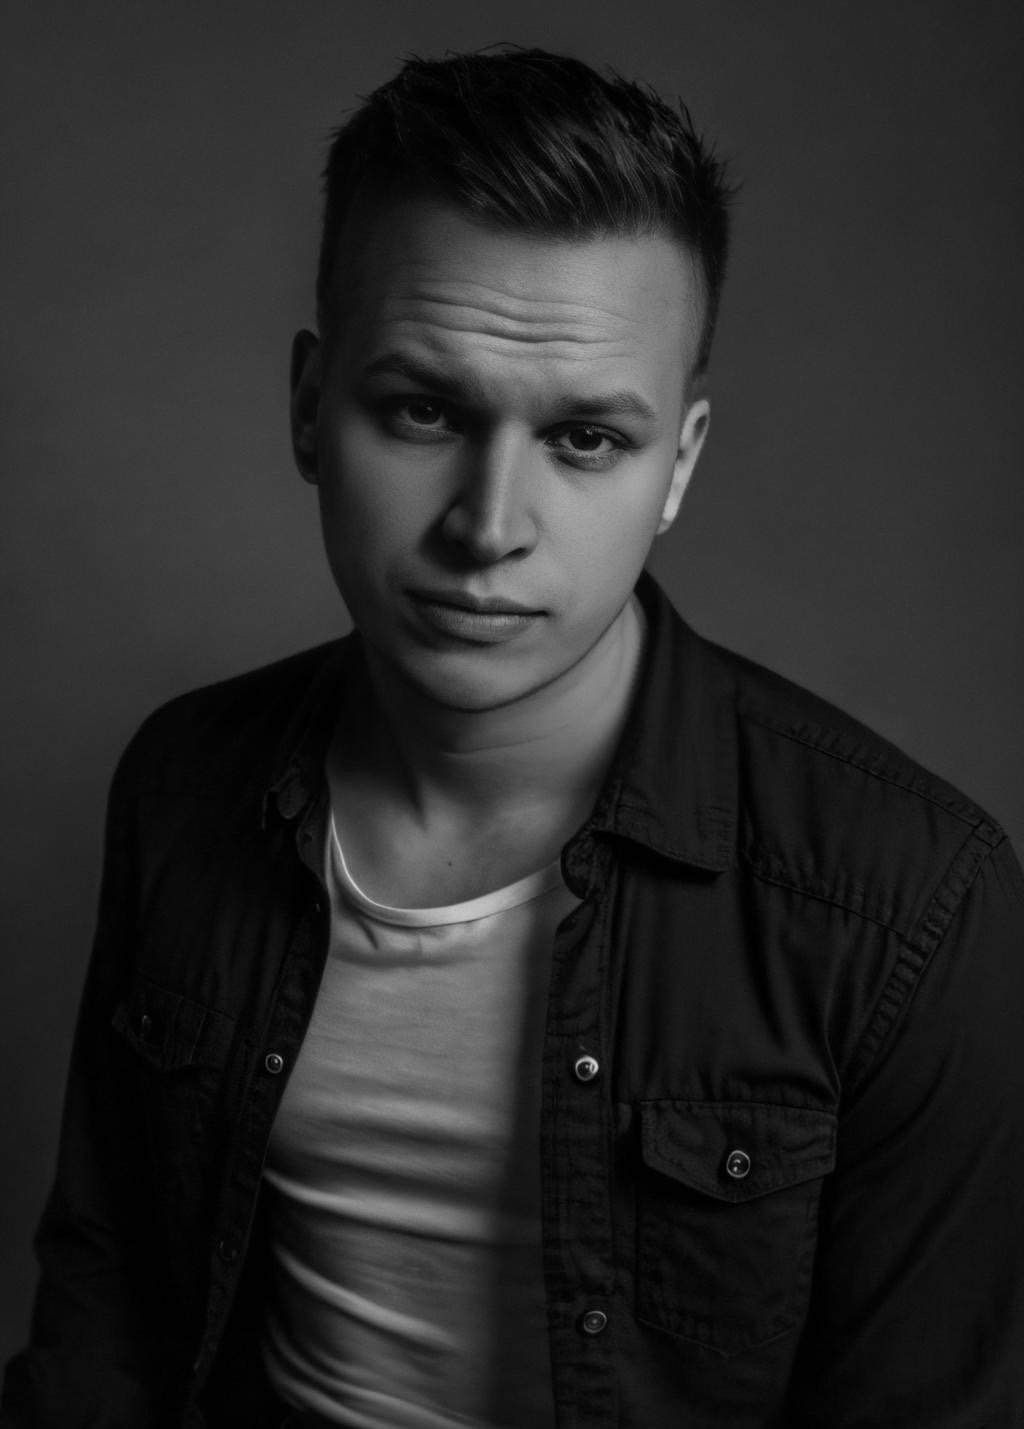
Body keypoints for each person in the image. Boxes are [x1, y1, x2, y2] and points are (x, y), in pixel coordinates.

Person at [4, 44, 1023, 1429]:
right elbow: (107, 1312)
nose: (489, 526)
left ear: (680, 465)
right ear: (309, 410)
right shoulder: (185, 784)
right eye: (423, 410)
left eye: (587, 439)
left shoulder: (913, 907)